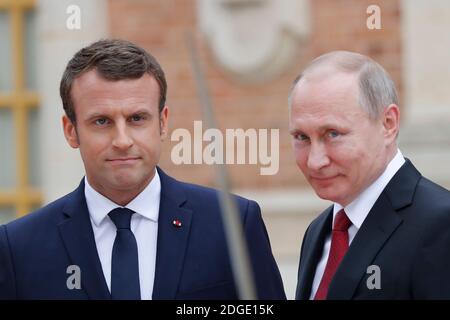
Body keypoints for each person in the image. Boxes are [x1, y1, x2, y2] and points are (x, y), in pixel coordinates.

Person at [0, 39, 285, 300]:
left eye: (137, 118)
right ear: (71, 131)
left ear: (162, 123)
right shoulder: (19, 248)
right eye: (101, 121)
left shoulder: (232, 225)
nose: (122, 141)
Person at [289, 51, 450, 299]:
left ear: (388, 123)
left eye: (332, 134)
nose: (315, 161)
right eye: (302, 137)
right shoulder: (318, 231)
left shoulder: (441, 224)